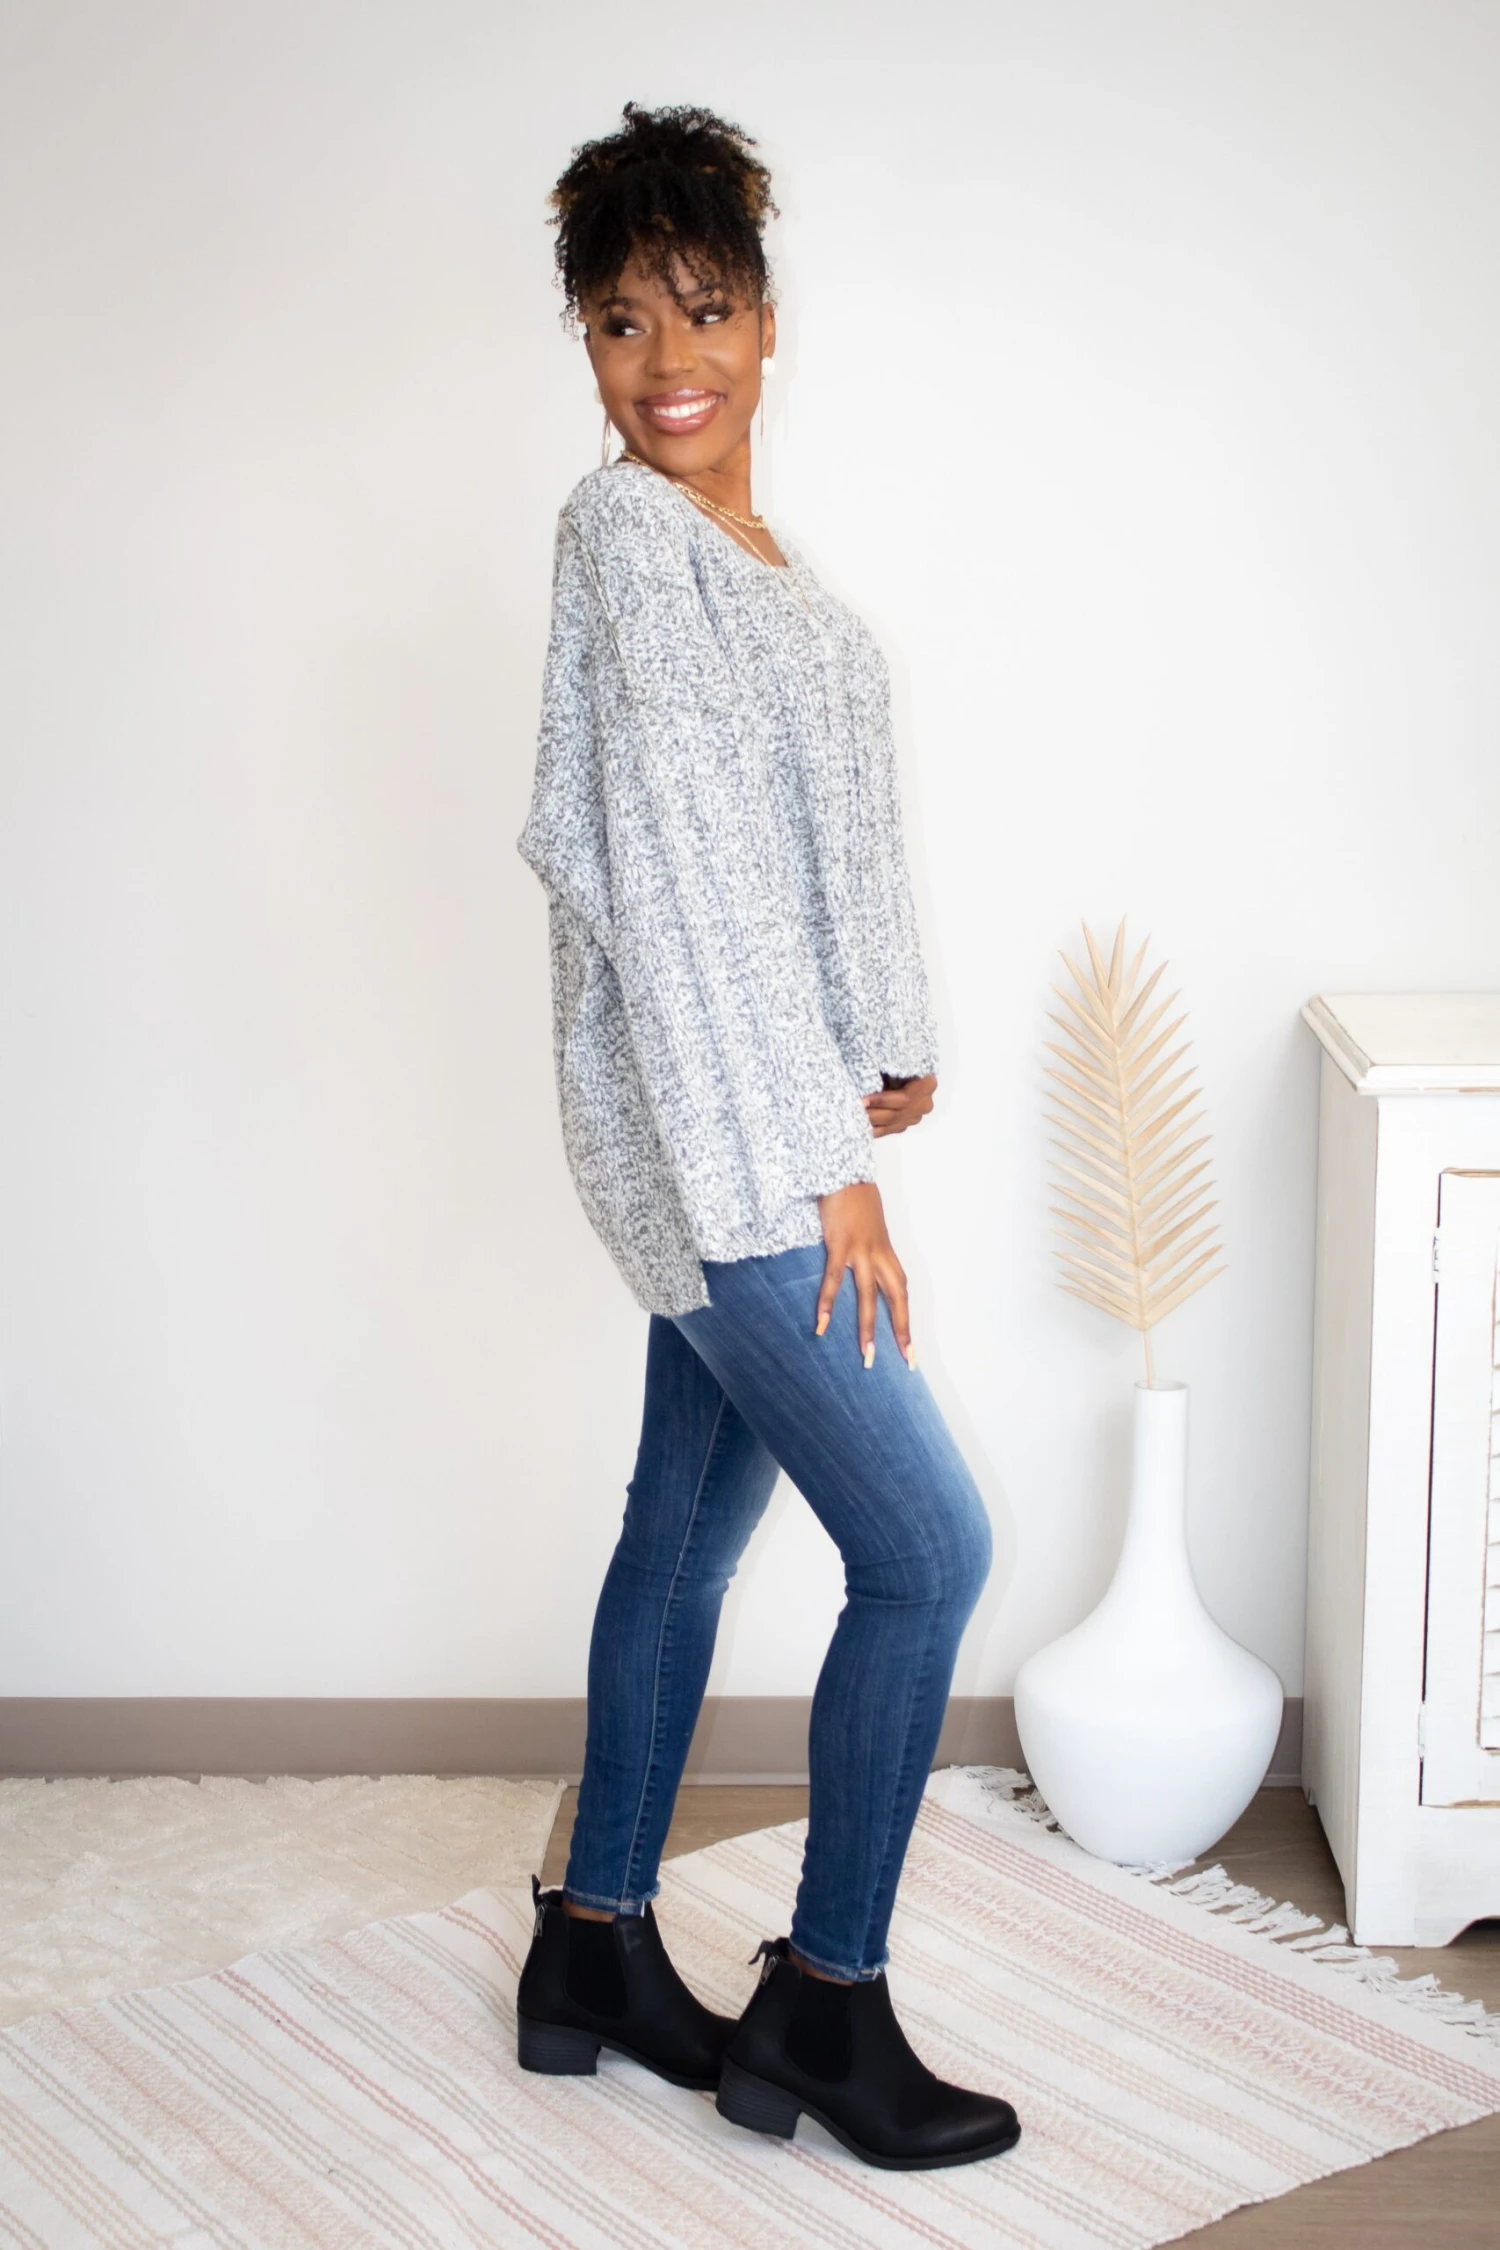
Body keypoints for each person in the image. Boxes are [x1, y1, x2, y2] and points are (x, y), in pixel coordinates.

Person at [514, 101, 1019, 2173]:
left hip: (745, 1117)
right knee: (930, 1551)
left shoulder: (743, 563)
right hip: (734, 1150)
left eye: (702, 309)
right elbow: (694, 887)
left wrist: (884, 1044)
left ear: (768, 320)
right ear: (587, 340)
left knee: (684, 1534)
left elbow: (797, 843)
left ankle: (592, 1947)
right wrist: (833, 1167)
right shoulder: (637, 545)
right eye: (622, 322)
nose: (667, 361)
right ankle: (824, 1999)